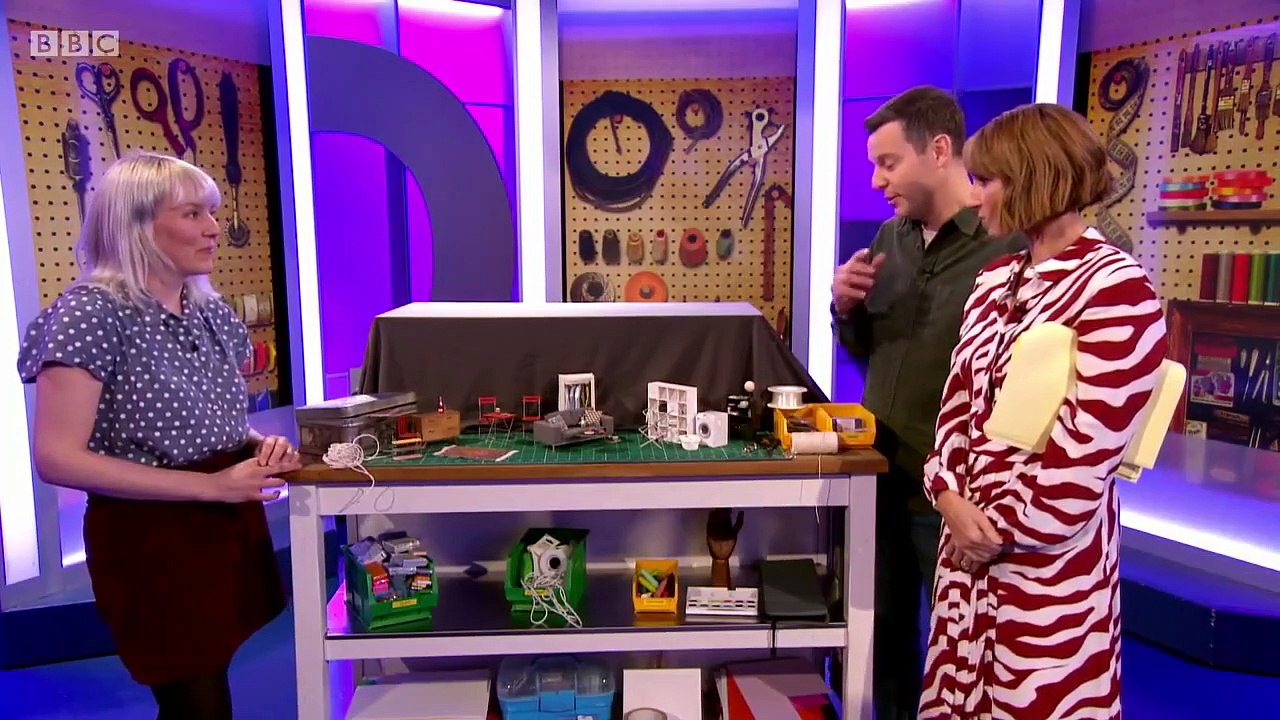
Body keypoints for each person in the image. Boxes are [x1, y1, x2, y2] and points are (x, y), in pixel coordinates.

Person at [18, 152, 302, 720]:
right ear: (137, 225)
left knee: (205, 690)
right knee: (195, 701)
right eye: (193, 214)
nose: (213, 228)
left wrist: (256, 445)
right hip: (154, 540)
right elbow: (57, 458)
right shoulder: (91, 314)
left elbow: (212, 417)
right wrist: (211, 486)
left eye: (212, 213)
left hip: (225, 528)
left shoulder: (208, 310)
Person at [918, 103, 1167, 719]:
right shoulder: (993, 282)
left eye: (987, 180)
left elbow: (1083, 457)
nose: (973, 198)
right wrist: (947, 496)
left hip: (1046, 582)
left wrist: (992, 535)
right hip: (966, 569)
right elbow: (955, 410)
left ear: (1035, 178)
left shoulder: (1117, 290)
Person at [830, 86, 1020, 720]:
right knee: (881, 637)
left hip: (957, 496)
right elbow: (867, 350)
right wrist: (845, 308)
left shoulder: (1008, 245)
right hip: (877, 477)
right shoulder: (891, 235)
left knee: (959, 653)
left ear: (939, 150)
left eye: (888, 163)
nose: (876, 180)